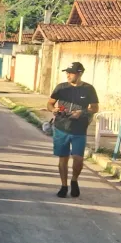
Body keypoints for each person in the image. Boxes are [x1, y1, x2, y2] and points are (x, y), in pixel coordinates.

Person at [47, 62, 99, 198]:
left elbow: (95, 108)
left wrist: (81, 112)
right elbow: (50, 103)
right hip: (61, 127)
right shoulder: (61, 87)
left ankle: (74, 180)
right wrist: (53, 109)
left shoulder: (89, 89)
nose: (68, 75)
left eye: (71, 72)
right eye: (67, 72)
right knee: (63, 159)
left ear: (79, 73)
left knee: (78, 159)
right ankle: (64, 186)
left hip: (79, 129)